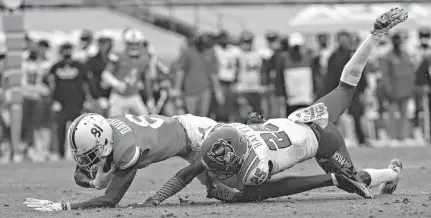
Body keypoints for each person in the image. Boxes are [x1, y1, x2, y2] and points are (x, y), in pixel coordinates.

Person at [142, 7, 407, 205]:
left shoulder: (254, 169)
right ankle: (373, 35)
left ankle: (390, 173)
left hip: (323, 139)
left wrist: (332, 179)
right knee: (345, 86)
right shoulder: (230, 137)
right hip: (301, 118)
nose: (213, 169)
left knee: (353, 183)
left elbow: (287, 186)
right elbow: (192, 170)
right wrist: (156, 198)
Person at [23, 113, 219, 211]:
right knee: (214, 190)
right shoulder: (104, 130)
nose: (85, 160)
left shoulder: (126, 149)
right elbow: (79, 174)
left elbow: (110, 200)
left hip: (198, 136)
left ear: (105, 144)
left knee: (232, 182)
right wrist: (93, 182)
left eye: (90, 154)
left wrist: (66, 206)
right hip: (182, 133)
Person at [102, 28, 154, 117]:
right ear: (126, 43)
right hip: (118, 96)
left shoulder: (144, 58)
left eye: (136, 44)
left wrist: (150, 98)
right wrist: (117, 84)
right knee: (113, 122)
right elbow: (105, 74)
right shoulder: (118, 55)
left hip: (134, 95)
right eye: (131, 44)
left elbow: (147, 80)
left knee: (146, 119)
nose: (134, 47)